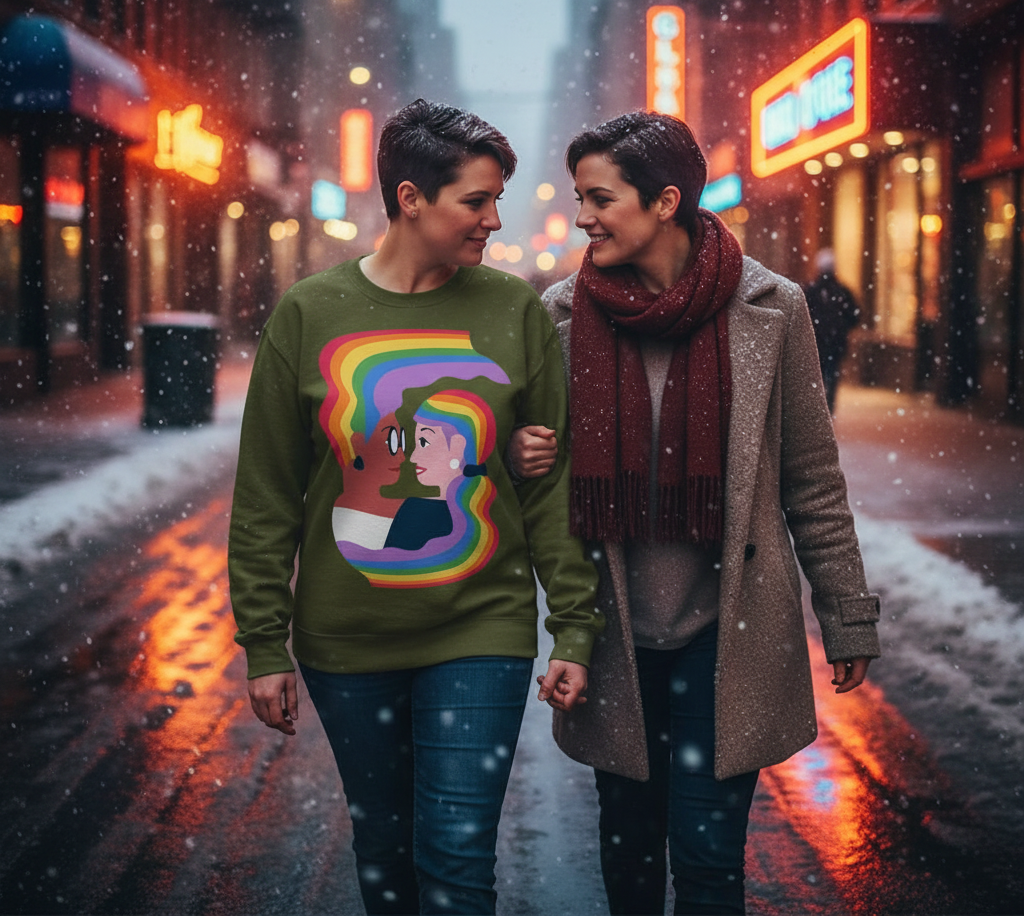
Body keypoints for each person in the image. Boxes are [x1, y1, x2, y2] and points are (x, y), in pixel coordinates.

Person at [228, 99, 603, 916]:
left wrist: (574, 624)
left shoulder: (513, 311)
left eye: (497, 199)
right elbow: (267, 494)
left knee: (459, 861)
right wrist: (263, 642)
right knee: (385, 855)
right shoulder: (310, 313)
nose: (493, 219)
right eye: (476, 200)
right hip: (345, 640)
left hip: (481, 629)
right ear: (410, 197)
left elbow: (551, 485)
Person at [512, 111, 881, 916]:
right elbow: (536, 481)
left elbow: (811, 480)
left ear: (666, 201)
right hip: (614, 631)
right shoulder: (561, 315)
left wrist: (847, 615)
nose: (584, 218)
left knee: (710, 861)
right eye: (580, 198)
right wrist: (521, 455)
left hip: (728, 626)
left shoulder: (773, 308)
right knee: (630, 853)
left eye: (601, 198)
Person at [802, 247, 860, 414]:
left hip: (817, 342)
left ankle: (819, 408)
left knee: (817, 375)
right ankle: (829, 407)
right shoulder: (842, 291)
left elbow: (801, 316)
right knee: (832, 374)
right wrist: (841, 327)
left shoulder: (811, 290)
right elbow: (855, 315)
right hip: (836, 343)